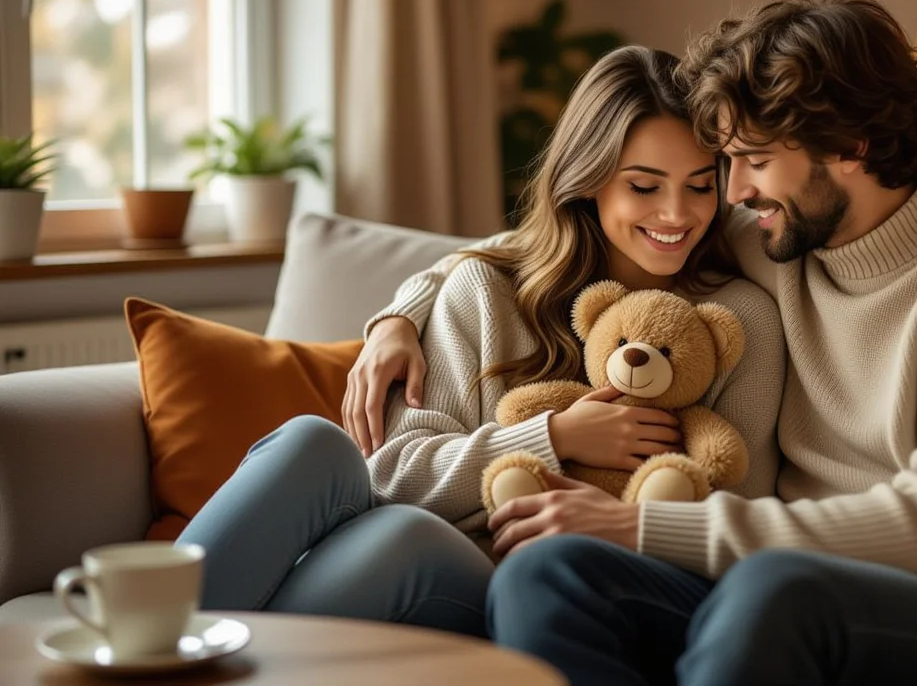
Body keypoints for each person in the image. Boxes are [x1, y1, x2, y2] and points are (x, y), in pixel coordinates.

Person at [384, 0, 917, 685]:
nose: (729, 195)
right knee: (551, 567)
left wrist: (640, 526)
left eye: (753, 162)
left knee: (775, 588)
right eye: (726, 165)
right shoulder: (783, 230)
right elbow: (567, 230)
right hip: (765, 581)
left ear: (851, 148)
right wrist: (403, 313)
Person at [176, 46, 785, 641]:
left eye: (700, 186)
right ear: (588, 182)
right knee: (310, 442)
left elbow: (738, 513)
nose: (677, 214)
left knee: (404, 539)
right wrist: (553, 437)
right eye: (645, 187)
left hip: (544, 585)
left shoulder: (736, 320)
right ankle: (148, 639)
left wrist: (616, 517)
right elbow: (391, 474)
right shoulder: (488, 289)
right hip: (423, 541)